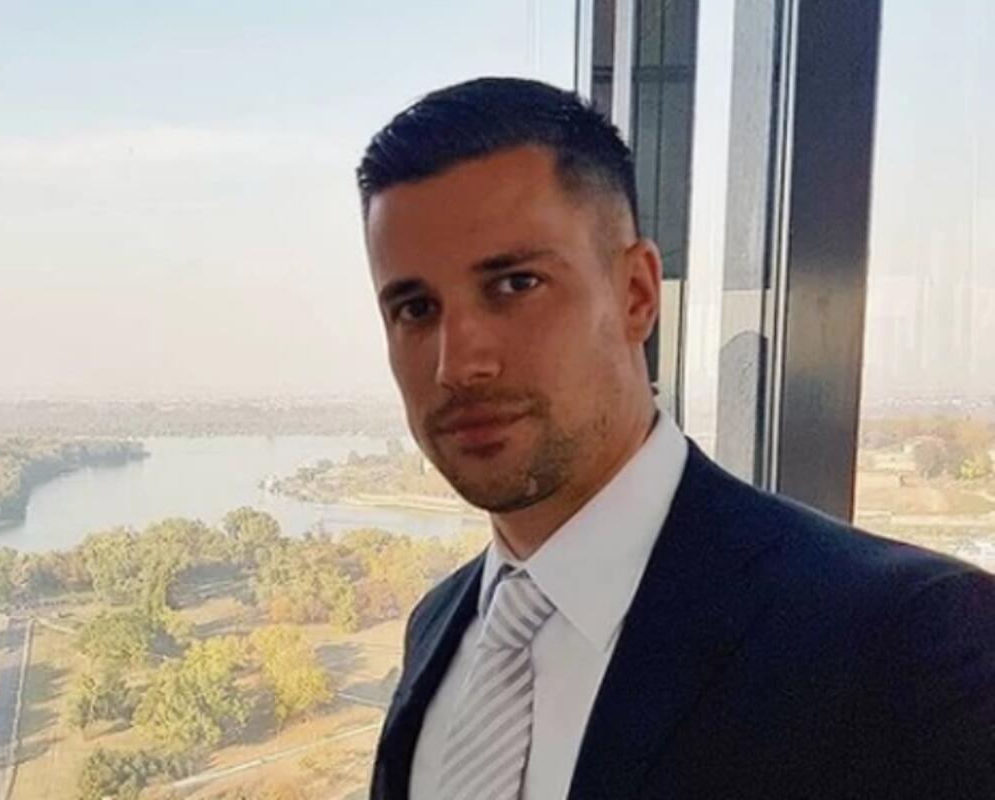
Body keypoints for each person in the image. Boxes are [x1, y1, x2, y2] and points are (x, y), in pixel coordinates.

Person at [357, 77, 995, 800]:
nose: (458, 364)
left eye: (515, 285)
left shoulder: (907, 645)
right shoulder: (438, 627)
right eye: (415, 308)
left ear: (637, 293)